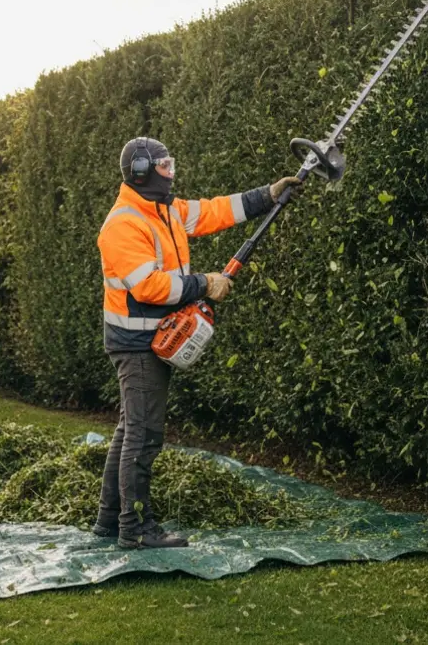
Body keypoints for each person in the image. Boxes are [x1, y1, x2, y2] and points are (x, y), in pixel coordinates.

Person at [95, 136, 301, 549]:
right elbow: (149, 286)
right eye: (164, 165)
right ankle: (136, 530)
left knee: (128, 430)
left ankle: (108, 520)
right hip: (136, 343)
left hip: (152, 339)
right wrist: (205, 283)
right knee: (144, 434)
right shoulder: (123, 224)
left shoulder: (165, 211)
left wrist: (268, 195)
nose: (171, 172)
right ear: (141, 170)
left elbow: (212, 211)